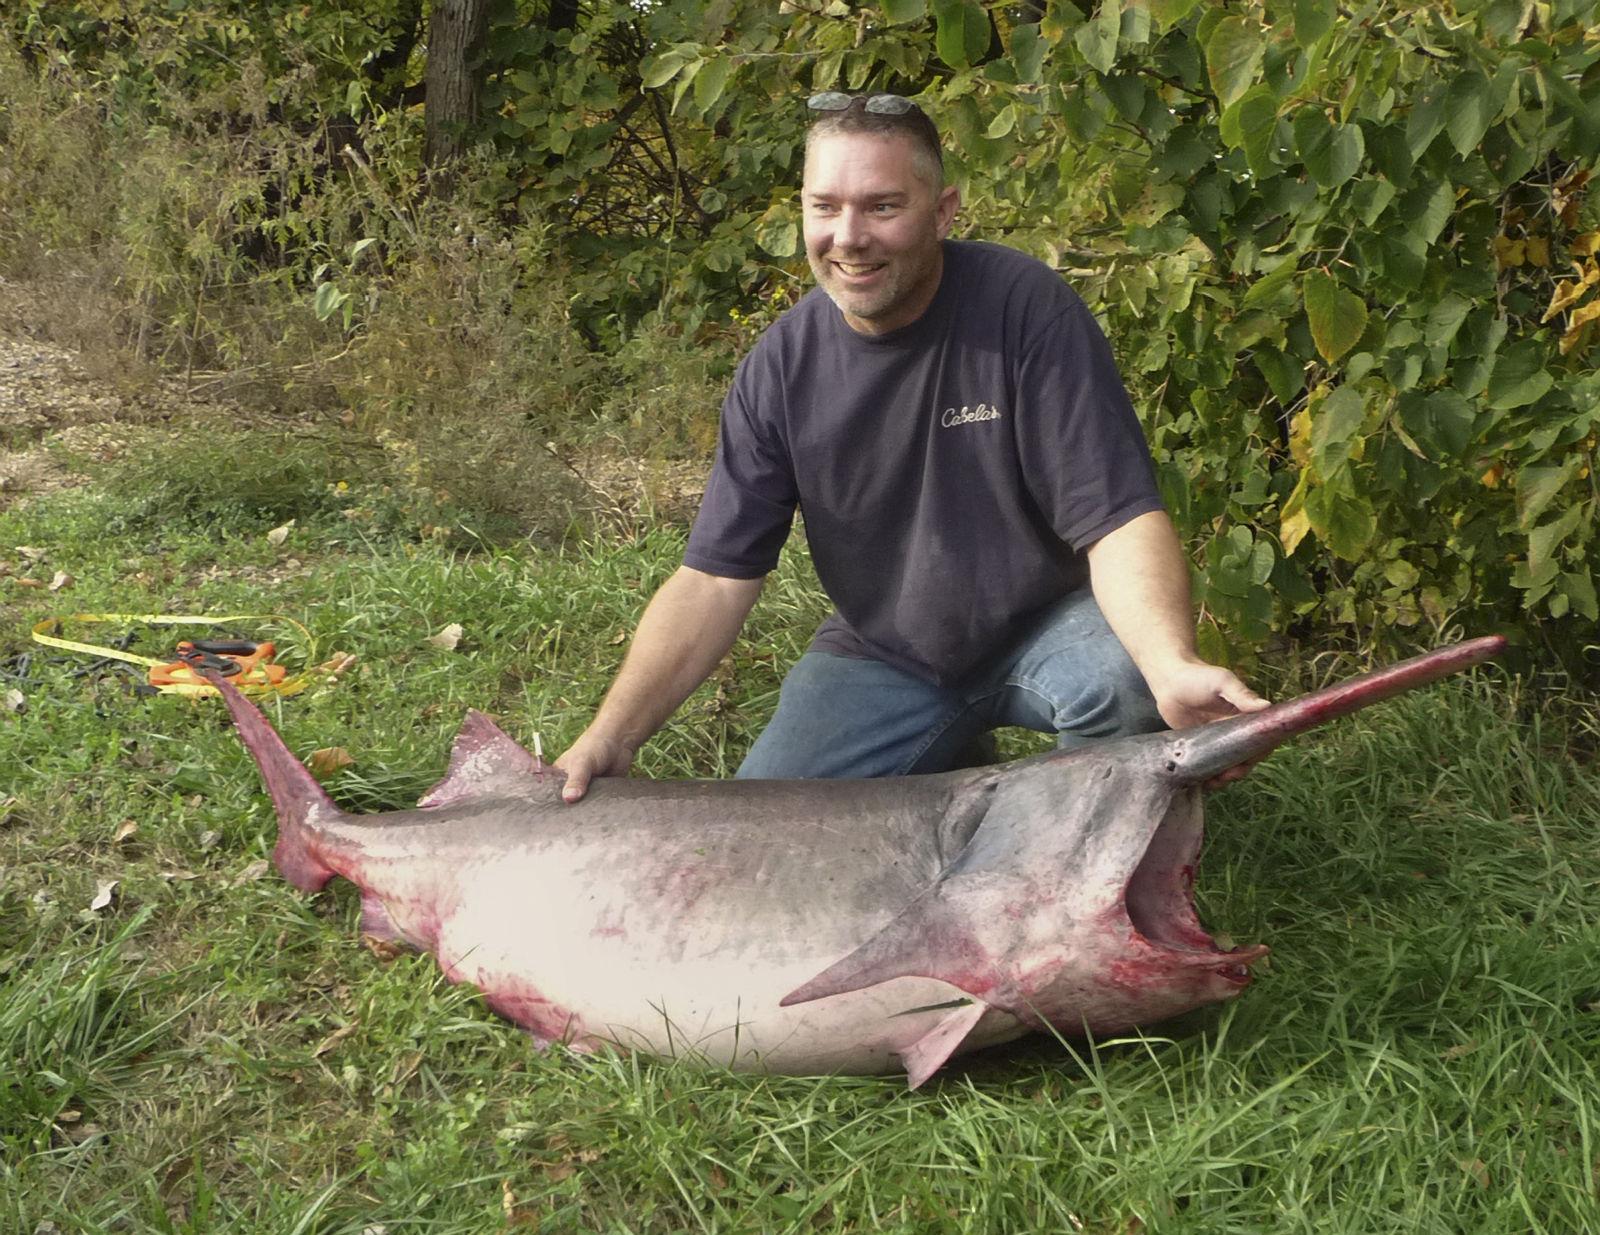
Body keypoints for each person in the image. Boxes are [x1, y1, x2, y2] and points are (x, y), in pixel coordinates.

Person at [556, 92, 1267, 802]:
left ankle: (1080, 883)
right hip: (886, 652)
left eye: (882, 207)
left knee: (1123, 681)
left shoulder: (1025, 308)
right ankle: (949, 756)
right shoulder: (779, 368)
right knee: (770, 818)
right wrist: (612, 733)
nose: (848, 236)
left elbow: (1117, 519)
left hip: (1048, 625)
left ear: (944, 210)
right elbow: (712, 580)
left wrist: (1170, 664)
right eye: (824, 207)